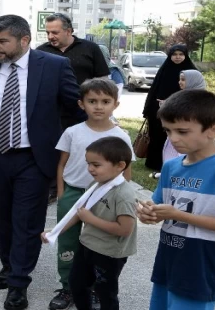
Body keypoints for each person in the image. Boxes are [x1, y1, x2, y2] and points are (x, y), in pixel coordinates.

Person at [0, 14, 85, 310]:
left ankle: (18, 281)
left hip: (34, 158)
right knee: (2, 221)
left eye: (3, 41)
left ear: (24, 40)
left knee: (27, 223)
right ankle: (9, 264)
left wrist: (99, 134)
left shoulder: (54, 66)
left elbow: (76, 107)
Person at [137, 89, 215, 310]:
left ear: (214, 130)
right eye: (168, 131)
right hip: (170, 261)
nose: (173, 139)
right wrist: (148, 213)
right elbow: (159, 207)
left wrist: (180, 215)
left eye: (182, 131)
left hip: (202, 266)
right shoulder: (170, 167)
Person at [49, 79, 135, 310]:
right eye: (92, 101)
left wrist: (123, 197)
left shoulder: (122, 136)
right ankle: (68, 287)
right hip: (74, 192)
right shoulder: (72, 132)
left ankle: (97, 287)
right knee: (67, 240)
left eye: (105, 101)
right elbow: (62, 164)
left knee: (99, 242)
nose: (99, 106)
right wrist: (61, 191)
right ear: (81, 103)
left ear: (115, 104)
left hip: (106, 198)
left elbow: (126, 171)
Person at [42, 136, 138, 310]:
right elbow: (79, 213)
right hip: (88, 246)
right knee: (76, 284)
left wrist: (91, 219)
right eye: (89, 164)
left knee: (105, 293)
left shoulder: (123, 195)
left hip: (109, 254)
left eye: (96, 165)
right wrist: (55, 231)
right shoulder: (97, 184)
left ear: (120, 166)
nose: (90, 169)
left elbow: (125, 229)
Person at [37, 13, 109, 205]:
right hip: (51, 112)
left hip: (82, 112)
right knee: (53, 150)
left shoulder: (90, 49)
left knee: (81, 150)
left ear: (69, 31)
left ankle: (85, 186)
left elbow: (103, 80)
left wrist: (100, 107)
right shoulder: (41, 52)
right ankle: (53, 188)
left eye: (55, 32)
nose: (50, 36)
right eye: (48, 32)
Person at [142, 44, 196, 172]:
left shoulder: (191, 71)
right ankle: (155, 163)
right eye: (174, 54)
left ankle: (173, 162)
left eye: (181, 54)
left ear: (185, 56)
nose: (177, 57)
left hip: (181, 110)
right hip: (159, 110)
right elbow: (154, 90)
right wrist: (148, 109)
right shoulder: (165, 69)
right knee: (157, 136)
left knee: (174, 138)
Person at [156, 70, 207, 168]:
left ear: (193, 81)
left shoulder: (200, 99)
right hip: (176, 138)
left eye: (183, 79)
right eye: (180, 79)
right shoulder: (183, 96)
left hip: (188, 139)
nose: (180, 82)